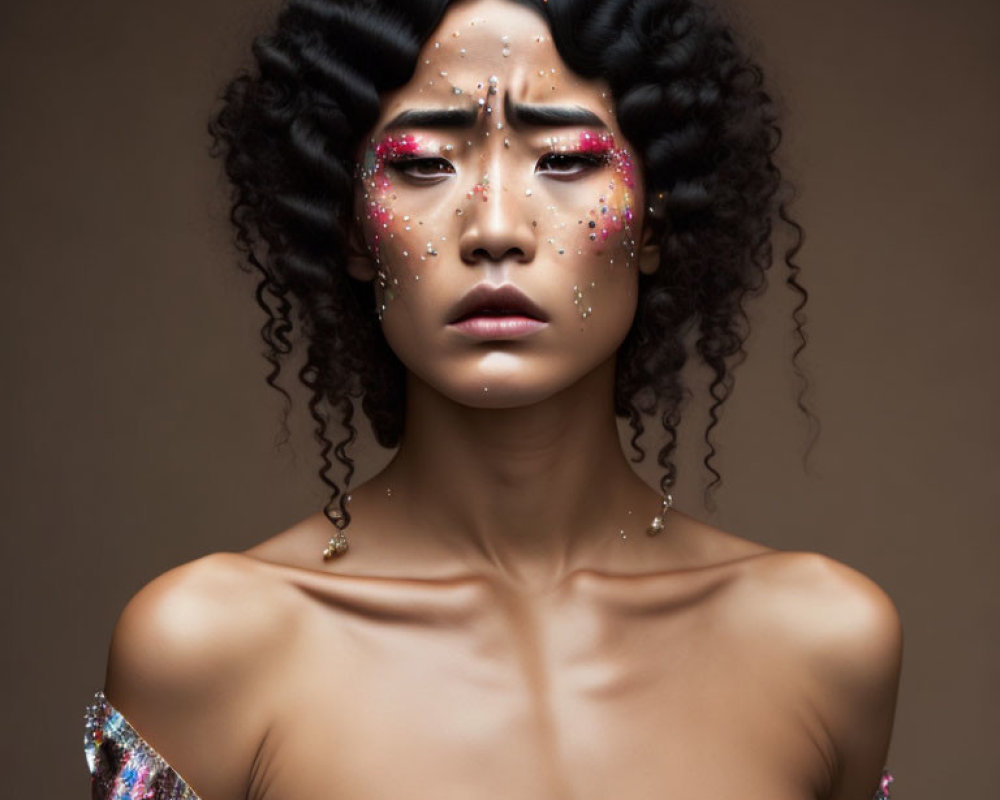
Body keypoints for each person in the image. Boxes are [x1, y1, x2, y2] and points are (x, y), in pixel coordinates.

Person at [84, 0, 902, 798]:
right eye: (423, 164)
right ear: (353, 233)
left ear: (656, 224)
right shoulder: (207, 650)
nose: (496, 228)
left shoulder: (825, 643)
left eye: (567, 159)